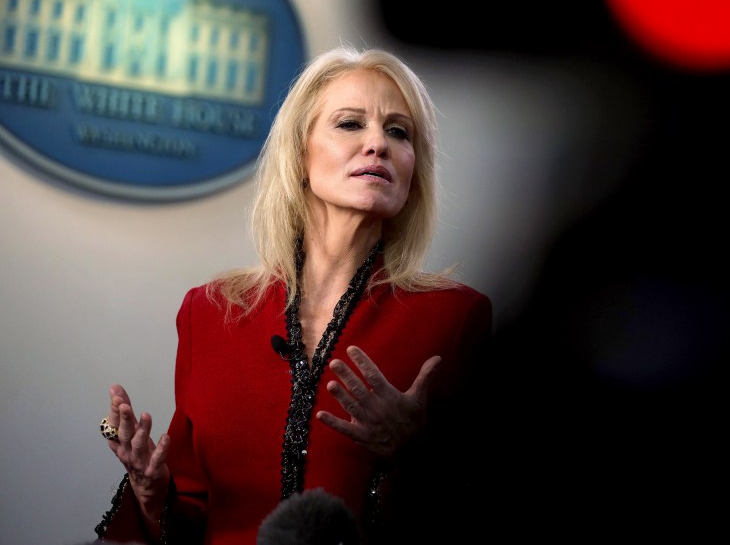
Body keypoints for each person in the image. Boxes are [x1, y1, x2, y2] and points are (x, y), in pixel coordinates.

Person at [93, 46, 492, 545]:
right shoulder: (211, 312)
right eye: (350, 124)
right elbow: (192, 515)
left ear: (414, 173)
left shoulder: (454, 318)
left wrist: (419, 453)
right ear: (299, 155)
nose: (378, 145)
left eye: (398, 131)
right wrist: (153, 496)